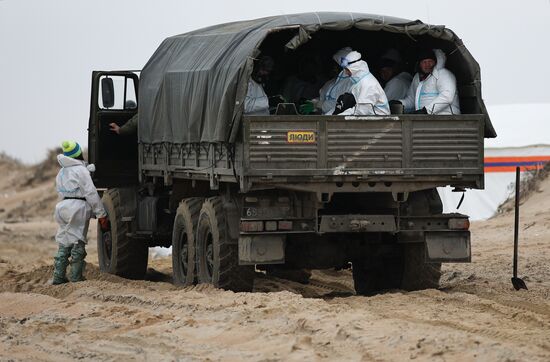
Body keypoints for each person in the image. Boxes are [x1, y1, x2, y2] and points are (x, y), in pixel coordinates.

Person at [52, 141, 109, 284]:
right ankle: (76, 277)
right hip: (77, 208)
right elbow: (90, 193)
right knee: (78, 241)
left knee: (64, 240)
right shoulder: (81, 171)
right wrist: (101, 214)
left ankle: (58, 277)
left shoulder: (62, 171)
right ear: (79, 153)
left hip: (62, 207)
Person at [399, 48, 460, 115]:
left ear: (435, 62)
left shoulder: (443, 74)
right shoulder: (417, 78)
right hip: (427, 119)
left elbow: (447, 96)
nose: (427, 65)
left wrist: (426, 111)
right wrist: (400, 103)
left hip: (447, 119)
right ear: (419, 64)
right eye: (424, 62)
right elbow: (412, 100)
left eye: (430, 61)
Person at [333, 51, 390, 115]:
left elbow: (362, 111)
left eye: (347, 70)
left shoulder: (368, 84)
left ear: (355, 68)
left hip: (379, 122)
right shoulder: (357, 82)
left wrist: (339, 117)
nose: (345, 73)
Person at [317, 47, 353, 115]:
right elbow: (322, 98)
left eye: (336, 65)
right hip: (323, 121)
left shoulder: (352, 83)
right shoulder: (329, 83)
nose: (334, 67)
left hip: (339, 122)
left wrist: (317, 105)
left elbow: (338, 104)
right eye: (333, 64)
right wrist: (312, 103)